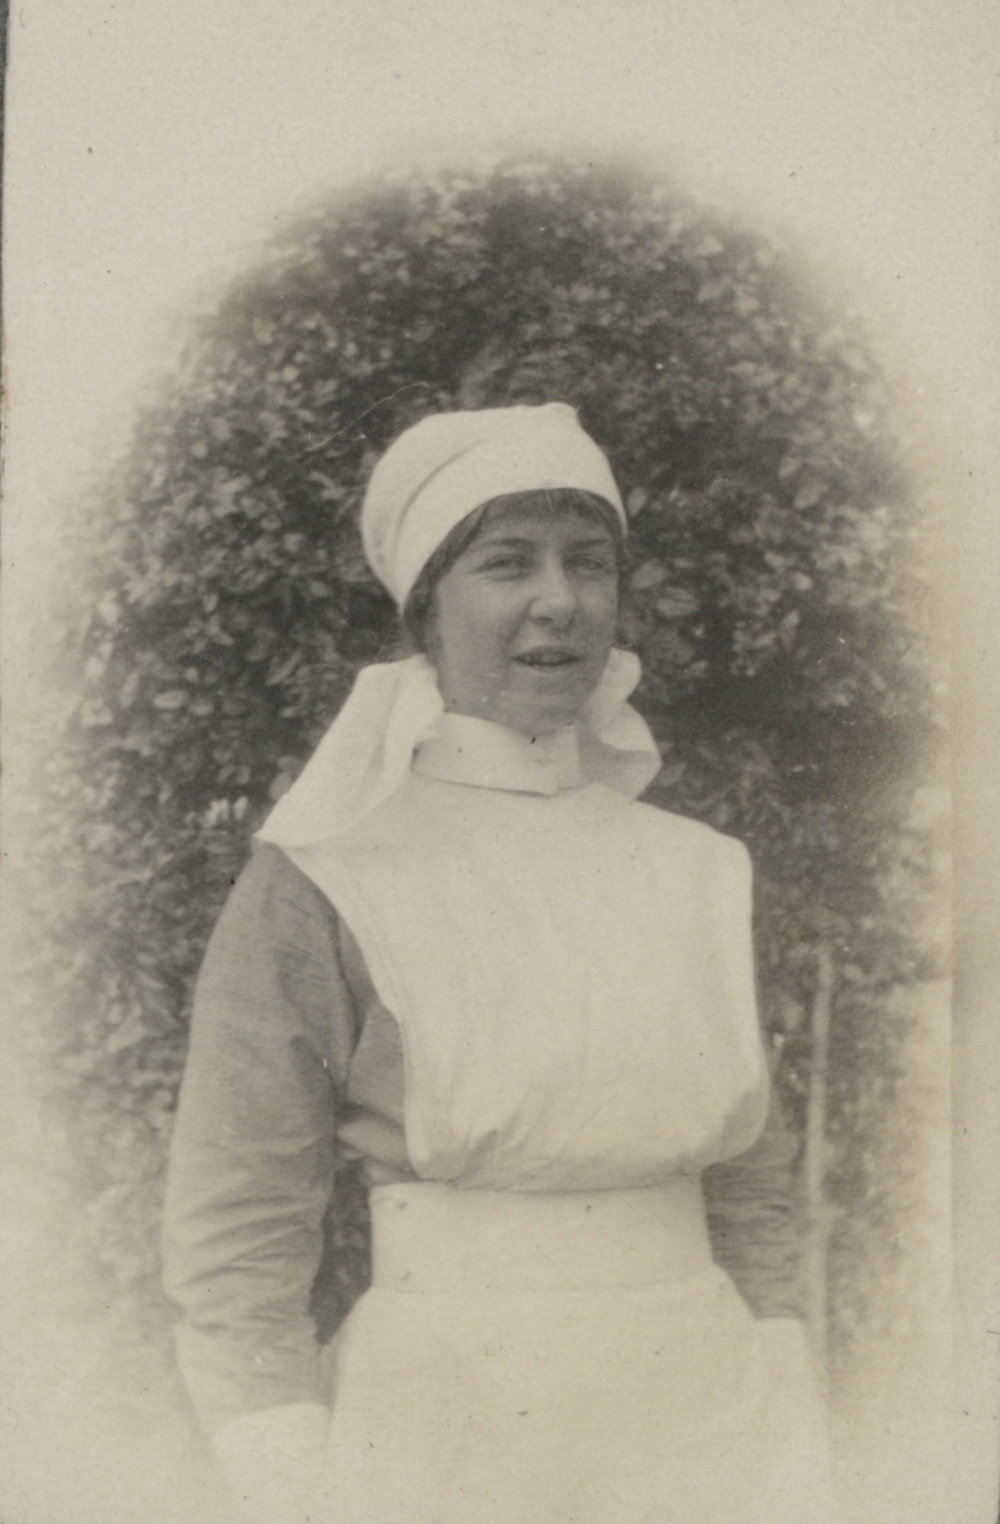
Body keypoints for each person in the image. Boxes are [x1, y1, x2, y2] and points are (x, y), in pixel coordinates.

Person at [163, 402, 837, 1523]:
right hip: (446, 1424)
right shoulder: (326, 878)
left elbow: (750, 1186)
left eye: (589, 563)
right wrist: (281, 1464)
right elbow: (237, 1223)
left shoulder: (697, 868)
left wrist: (785, 1388)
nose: (559, 602)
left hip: (713, 1410)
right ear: (426, 607)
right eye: (505, 564)